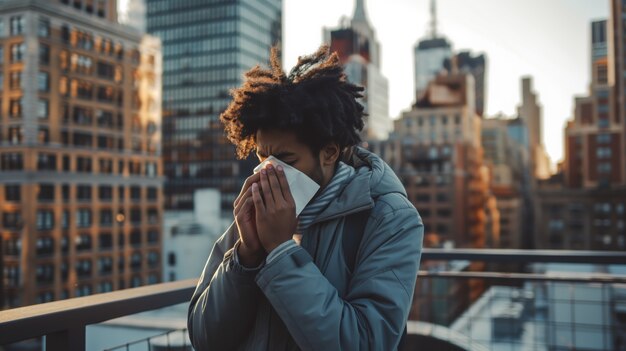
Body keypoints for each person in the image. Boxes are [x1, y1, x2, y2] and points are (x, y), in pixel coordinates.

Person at [187, 45, 424, 351]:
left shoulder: (389, 218)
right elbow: (205, 337)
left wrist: (282, 251)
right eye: (262, 157)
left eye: (285, 159)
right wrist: (246, 255)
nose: (268, 172)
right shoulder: (256, 215)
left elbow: (367, 342)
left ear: (329, 152)